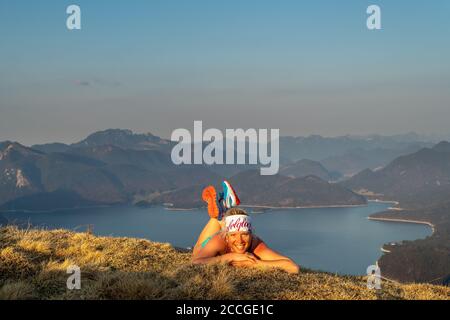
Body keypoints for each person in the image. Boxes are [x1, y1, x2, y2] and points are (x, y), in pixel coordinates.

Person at [192, 181, 299, 274]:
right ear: (226, 236)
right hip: (212, 241)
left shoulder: (256, 244)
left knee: (226, 222)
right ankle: (221, 213)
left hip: (227, 227)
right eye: (233, 235)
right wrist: (230, 257)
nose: (239, 240)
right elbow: (195, 262)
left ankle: (223, 210)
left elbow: (293, 267)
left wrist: (254, 264)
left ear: (251, 234)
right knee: (197, 250)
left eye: (244, 234)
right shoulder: (219, 240)